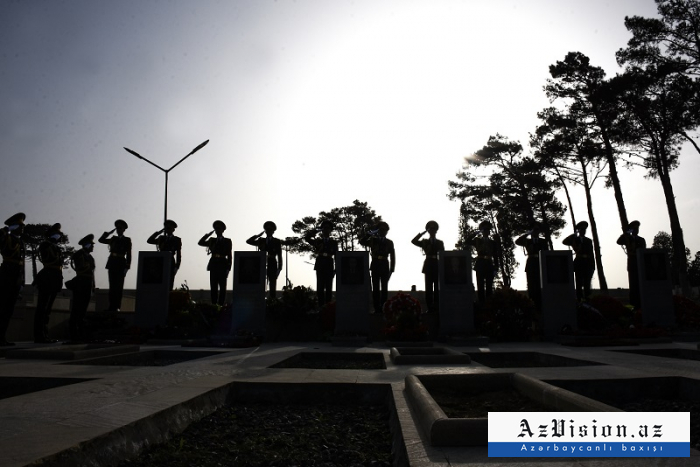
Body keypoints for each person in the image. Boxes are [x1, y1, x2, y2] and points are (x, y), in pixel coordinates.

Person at [34, 223, 64, 343]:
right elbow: (48, 257)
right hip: (47, 277)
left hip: (55, 277)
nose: (59, 236)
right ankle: (39, 335)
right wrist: (51, 241)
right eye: (57, 234)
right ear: (51, 235)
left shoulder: (56, 247)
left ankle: (44, 334)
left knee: (48, 309)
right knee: (42, 307)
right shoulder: (45, 245)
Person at [0, 213, 26, 346]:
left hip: (16, 275)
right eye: (19, 225)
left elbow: (22, 263)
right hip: (6, 273)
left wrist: (22, 282)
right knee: (2, 306)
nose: (22, 228)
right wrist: (6, 230)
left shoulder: (20, 241)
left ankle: (2, 336)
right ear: (13, 226)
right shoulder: (6, 237)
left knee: (9, 308)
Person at [359, 222, 395, 314]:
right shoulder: (373, 240)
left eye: (384, 230)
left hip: (384, 264)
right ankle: (376, 308)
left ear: (387, 231)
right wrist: (369, 233)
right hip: (375, 264)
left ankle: (384, 307)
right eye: (380, 230)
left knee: (384, 288)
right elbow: (362, 241)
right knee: (375, 288)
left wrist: (392, 269)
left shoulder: (389, 242)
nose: (382, 232)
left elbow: (392, 256)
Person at [98, 219, 131, 311]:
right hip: (112, 263)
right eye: (117, 228)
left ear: (124, 229)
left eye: (120, 228)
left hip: (121, 263)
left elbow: (129, 254)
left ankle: (117, 306)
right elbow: (101, 240)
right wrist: (107, 233)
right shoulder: (113, 239)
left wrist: (127, 266)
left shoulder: (127, 240)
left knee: (119, 287)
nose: (118, 230)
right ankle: (111, 306)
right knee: (112, 286)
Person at [411, 220, 445, 313]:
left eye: (434, 229)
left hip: (437, 264)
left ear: (436, 231)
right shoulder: (424, 242)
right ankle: (430, 307)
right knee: (428, 288)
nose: (432, 231)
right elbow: (413, 241)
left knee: (437, 288)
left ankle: (437, 306)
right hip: (428, 264)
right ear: (428, 231)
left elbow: (442, 254)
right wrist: (422, 233)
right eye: (430, 229)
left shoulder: (440, 242)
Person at [304, 220, 338, 306]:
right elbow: (307, 238)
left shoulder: (333, 242)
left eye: (328, 228)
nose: (326, 230)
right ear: (322, 230)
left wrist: (336, 269)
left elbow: (337, 256)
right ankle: (320, 307)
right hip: (320, 264)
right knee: (320, 288)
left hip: (329, 264)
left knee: (329, 288)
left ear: (331, 230)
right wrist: (316, 230)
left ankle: (328, 307)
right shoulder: (318, 241)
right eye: (324, 228)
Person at [465, 220, 501, 304]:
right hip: (480, 264)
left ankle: (489, 304)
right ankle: (481, 303)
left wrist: (496, 267)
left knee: (489, 286)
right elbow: (467, 241)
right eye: (484, 230)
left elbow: (496, 255)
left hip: (489, 264)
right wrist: (475, 233)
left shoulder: (493, 243)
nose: (486, 231)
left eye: (487, 230)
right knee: (480, 286)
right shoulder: (477, 240)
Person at [515, 223, 549, 311]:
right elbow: (517, 241)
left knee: (541, 285)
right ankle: (532, 304)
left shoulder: (543, 241)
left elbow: (547, 252)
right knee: (531, 285)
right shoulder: (527, 241)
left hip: (540, 263)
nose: (536, 232)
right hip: (531, 263)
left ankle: (542, 304)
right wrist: (527, 234)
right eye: (534, 230)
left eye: (537, 230)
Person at [198, 220, 233, 305]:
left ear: (223, 230)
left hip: (223, 264)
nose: (217, 231)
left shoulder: (227, 241)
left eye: (219, 229)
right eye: (216, 229)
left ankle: (221, 305)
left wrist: (228, 268)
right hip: (213, 264)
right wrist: (207, 235)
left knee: (222, 288)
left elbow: (229, 255)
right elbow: (200, 242)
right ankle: (214, 304)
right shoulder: (212, 240)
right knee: (213, 287)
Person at [68, 234, 95, 343]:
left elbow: (92, 273)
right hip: (80, 283)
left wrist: (93, 286)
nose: (93, 247)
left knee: (83, 310)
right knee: (76, 309)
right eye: (91, 245)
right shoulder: (79, 255)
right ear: (87, 245)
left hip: (88, 283)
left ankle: (80, 333)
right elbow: (80, 268)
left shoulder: (90, 257)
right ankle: (74, 334)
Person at [247, 221, 283, 299]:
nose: (268, 232)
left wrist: (279, 268)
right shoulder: (261, 240)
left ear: (273, 231)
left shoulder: (276, 241)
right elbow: (248, 241)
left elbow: (279, 255)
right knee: (261, 282)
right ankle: (260, 299)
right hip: (262, 262)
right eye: (267, 230)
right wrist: (257, 236)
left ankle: (272, 300)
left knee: (272, 283)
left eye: (270, 230)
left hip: (272, 262)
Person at [562, 221, 595, 302]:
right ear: (579, 230)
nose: (583, 231)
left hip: (587, 262)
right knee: (579, 281)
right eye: (581, 229)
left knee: (587, 281)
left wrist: (592, 265)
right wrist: (574, 235)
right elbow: (564, 241)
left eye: (584, 229)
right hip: (579, 262)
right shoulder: (575, 239)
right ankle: (579, 297)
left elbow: (591, 253)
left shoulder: (589, 241)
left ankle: (587, 296)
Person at [617, 220, 646, 310]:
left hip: (640, 263)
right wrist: (627, 233)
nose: (636, 230)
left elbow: (643, 251)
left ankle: (642, 304)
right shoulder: (627, 238)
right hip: (632, 264)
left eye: (637, 228)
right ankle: (633, 304)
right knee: (633, 285)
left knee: (641, 285)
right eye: (634, 228)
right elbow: (619, 241)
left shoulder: (641, 240)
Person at [147, 220, 182, 290]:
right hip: (160, 260)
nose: (168, 229)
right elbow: (149, 240)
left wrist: (177, 266)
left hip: (170, 260)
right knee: (158, 282)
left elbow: (178, 254)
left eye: (169, 228)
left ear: (173, 229)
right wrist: (158, 232)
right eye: (166, 228)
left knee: (169, 282)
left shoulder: (176, 240)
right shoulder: (161, 238)